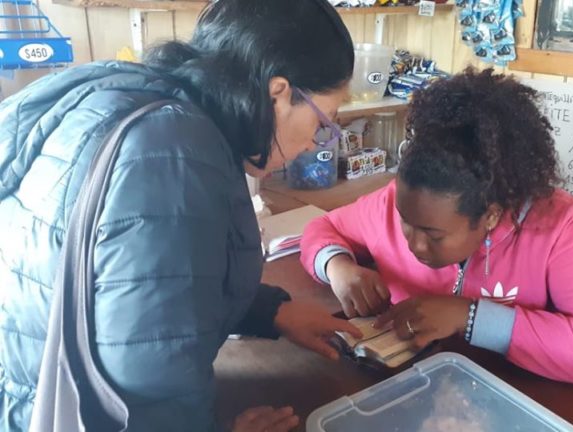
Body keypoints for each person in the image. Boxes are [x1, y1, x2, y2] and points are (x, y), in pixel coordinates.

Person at [0, 0, 363, 431]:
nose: (313, 142)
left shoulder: (141, 98)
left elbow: (144, 286)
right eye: (324, 121)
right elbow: (148, 367)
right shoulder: (173, 155)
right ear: (278, 93)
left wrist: (269, 312)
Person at [300, 68, 573, 390]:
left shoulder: (561, 229)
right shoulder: (401, 200)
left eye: (433, 235)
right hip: (410, 388)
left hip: (508, 398)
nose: (414, 244)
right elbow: (324, 227)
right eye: (406, 222)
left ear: (491, 216)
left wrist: (470, 317)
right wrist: (337, 267)